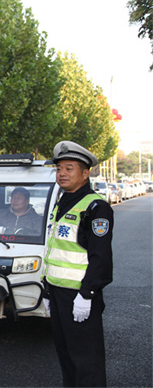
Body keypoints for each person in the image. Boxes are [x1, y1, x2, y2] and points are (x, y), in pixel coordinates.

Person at [42, 140, 113, 387]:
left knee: (86, 360)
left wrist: (87, 294)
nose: (61, 173)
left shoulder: (95, 207)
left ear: (85, 173)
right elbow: (54, 250)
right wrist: (47, 290)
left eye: (69, 168)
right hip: (59, 292)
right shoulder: (61, 202)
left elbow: (100, 258)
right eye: (59, 168)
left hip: (80, 295)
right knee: (66, 354)